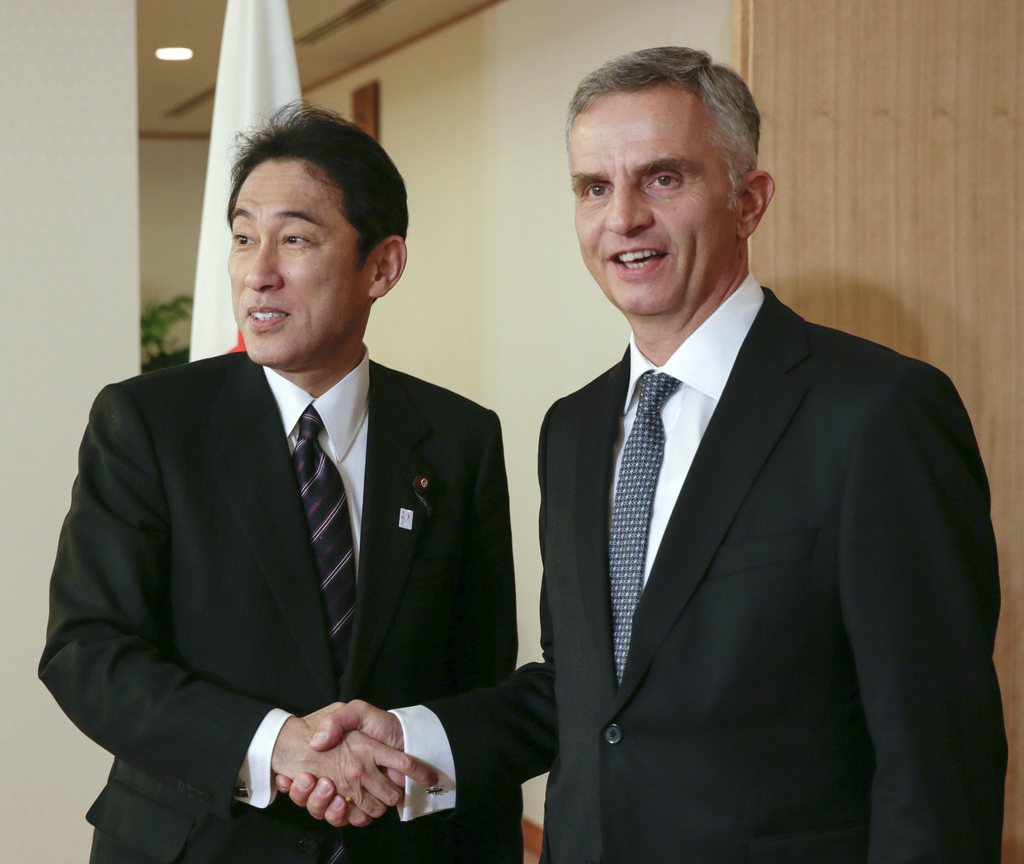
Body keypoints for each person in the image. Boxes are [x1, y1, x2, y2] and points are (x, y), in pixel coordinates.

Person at [289, 47, 1007, 863]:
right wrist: (415, 735)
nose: (623, 217)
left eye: (662, 178)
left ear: (750, 200)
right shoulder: (573, 428)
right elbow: (590, 688)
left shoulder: (877, 413)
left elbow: (939, 757)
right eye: (595, 187)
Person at [39, 103, 523, 864]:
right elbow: (89, 653)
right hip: (196, 845)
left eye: (295, 238)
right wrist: (279, 747)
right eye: (242, 237)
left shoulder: (461, 437)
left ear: (383, 265)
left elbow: (481, 684)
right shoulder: (149, 423)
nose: (257, 271)